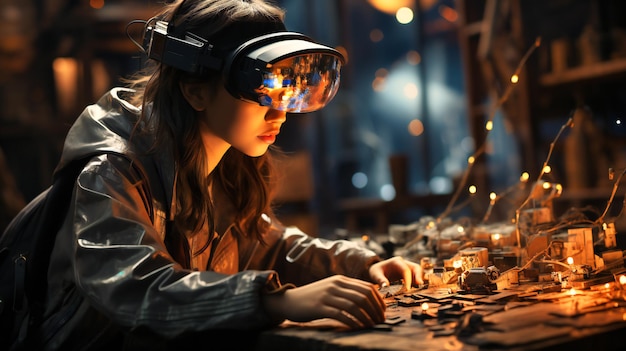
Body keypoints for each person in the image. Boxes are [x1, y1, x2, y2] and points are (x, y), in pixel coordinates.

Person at [8, 0, 422, 349]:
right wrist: (277, 302)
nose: (278, 112)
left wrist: (363, 264)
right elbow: (133, 286)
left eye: (282, 93)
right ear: (195, 90)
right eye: (259, 90)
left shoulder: (224, 160)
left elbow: (269, 244)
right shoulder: (110, 171)